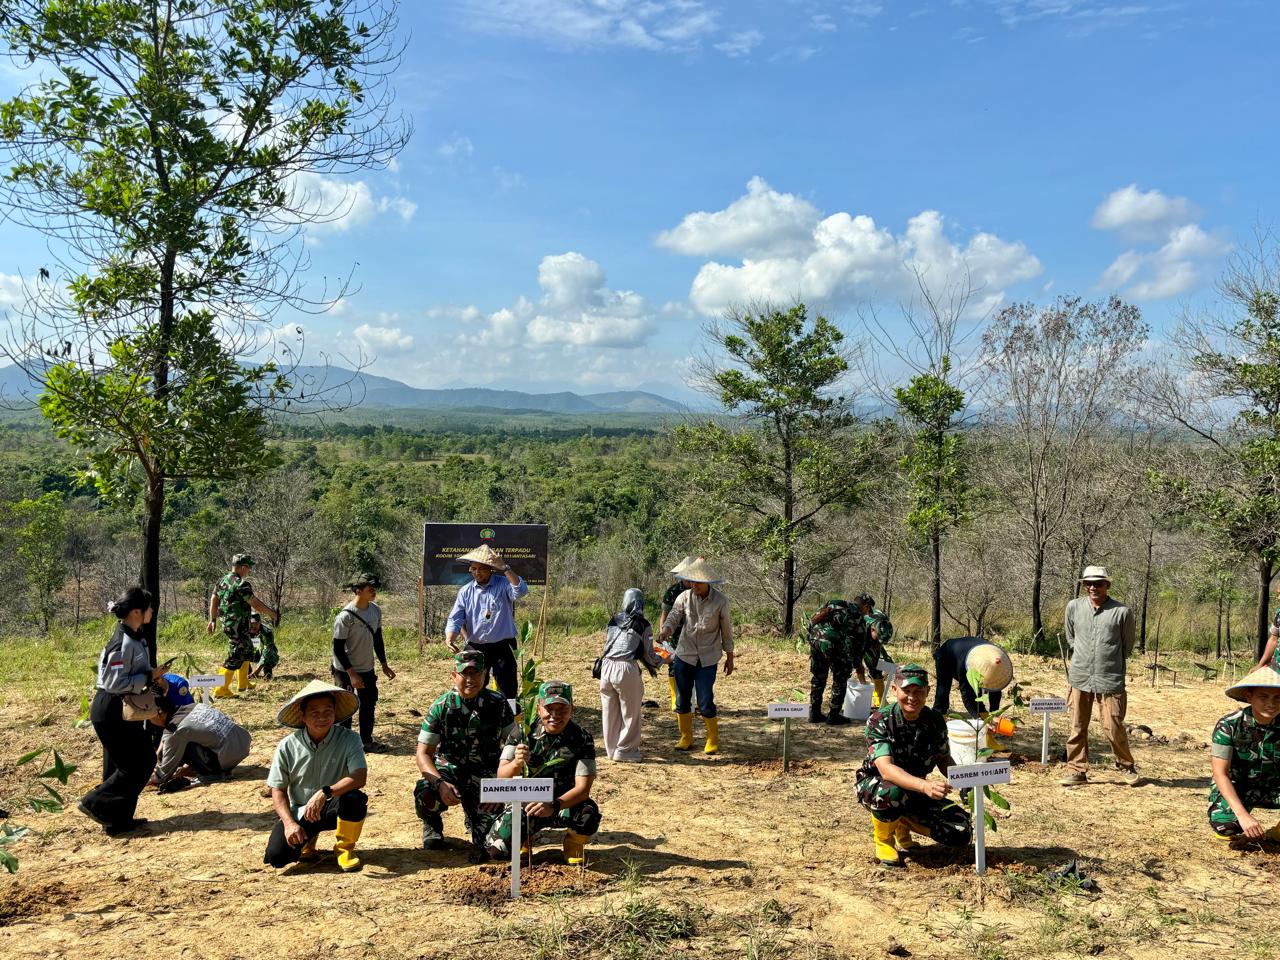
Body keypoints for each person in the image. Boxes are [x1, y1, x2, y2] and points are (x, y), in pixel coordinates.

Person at [855, 663, 972, 867]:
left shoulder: (934, 721)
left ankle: (902, 820)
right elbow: (886, 770)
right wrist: (925, 786)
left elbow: (943, 759)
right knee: (891, 793)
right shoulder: (880, 720)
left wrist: (965, 780)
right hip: (878, 786)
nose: (912, 697)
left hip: (915, 792)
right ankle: (884, 840)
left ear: (927, 692)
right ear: (894, 690)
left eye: (918, 691)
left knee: (960, 831)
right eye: (906, 691)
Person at [77, 586, 169, 836]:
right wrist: (148, 677)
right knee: (141, 761)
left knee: (119, 765)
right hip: (112, 708)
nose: (152, 612)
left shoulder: (135, 636)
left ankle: (116, 822)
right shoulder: (123, 641)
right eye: (149, 608)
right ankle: (94, 802)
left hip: (122, 707)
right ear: (137, 611)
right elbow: (113, 683)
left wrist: (152, 676)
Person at [486, 680, 599, 865]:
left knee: (588, 815)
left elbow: (583, 788)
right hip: (528, 805)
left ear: (572, 708)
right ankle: (524, 840)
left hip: (563, 804)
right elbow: (501, 776)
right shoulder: (522, 733)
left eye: (561, 709)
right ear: (538, 708)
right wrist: (516, 763)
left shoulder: (582, 738)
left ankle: (573, 843)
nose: (555, 715)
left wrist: (553, 806)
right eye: (549, 709)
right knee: (497, 852)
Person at [414, 649, 515, 854]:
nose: (471, 679)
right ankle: (432, 824)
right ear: (454, 676)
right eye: (465, 674)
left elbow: (515, 744)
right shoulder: (441, 707)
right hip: (449, 772)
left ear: (485, 674)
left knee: (489, 842)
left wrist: (501, 788)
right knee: (425, 792)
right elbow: (423, 753)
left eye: (476, 673)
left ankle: (474, 815)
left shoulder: (499, 704)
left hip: (486, 778)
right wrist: (440, 784)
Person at [264, 680, 368, 872]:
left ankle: (344, 849)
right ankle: (308, 841)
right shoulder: (287, 746)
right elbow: (277, 789)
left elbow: (359, 776)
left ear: (335, 713)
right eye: (314, 713)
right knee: (277, 857)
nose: (322, 717)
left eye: (328, 711)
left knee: (355, 798)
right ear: (302, 716)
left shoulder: (349, 739)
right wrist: (289, 823)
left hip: (332, 804)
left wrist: (325, 792)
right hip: (300, 812)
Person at [1062, 565, 1139, 787]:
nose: (1093, 587)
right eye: (1088, 583)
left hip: (1110, 678)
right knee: (1077, 726)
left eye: (1098, 583)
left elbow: (1127, 646)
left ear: (1108, 585)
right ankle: (1076, 771)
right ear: (1084, 585)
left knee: (1113, 726)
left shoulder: (1122, 612)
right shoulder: (1074, 607)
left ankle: (1126, 766)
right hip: (1080, 677)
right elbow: (1071, 638)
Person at [656, 557, 734, 755]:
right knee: (682, 699)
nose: (694, 585)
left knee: (705, 699)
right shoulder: (683, 597)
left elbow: (726, 631)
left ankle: (712, 738)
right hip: (685, 654)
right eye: (691, 581)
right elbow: (674, 616)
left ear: (707, 582)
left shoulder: (720, 602)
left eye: (697, 582)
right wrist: (665, 631)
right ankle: (686, 736)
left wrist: (730, 657)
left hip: (708, 657)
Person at [445, 544, 529, 700]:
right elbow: (456, 617)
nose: (477, 572)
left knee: (508, 687)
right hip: (475, 646)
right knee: (471, 685)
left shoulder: (504, 584)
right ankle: (475, 715)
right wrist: (450, 637)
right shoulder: (466, 591)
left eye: (481, 568)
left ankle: (509, 717)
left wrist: (504, 567)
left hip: (502, 645)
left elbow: (521, 590)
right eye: (473, 569)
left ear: (490, 568)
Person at [1208, 666, 1280, 842]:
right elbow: (1220, 774)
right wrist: (1243, 816)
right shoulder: (1228, 726)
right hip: (1240, 786)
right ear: (1249, 697)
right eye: (1263, 696)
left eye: (1278, 698)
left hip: (1274, 787)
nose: (1271, 704)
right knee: (1226, 827)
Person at [148, 673, 252, 791]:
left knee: (178, 746)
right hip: (243, 744)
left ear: (159, 712)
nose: (148, 719)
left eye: (149, 715)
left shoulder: (174, 730)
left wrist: (150, 779)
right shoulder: (195, 706)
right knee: (186, 740)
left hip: (227, 758)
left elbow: (164, 773)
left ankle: (213, 774)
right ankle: (213, 766)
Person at [331, 572, 396, 752]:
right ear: (358, 591)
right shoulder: (345, 617)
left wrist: (384, 664)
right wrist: (351, 674)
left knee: (368, 705)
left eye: (375, 588)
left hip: (366, 668)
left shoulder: (375, 610)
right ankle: (345, 745)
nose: (374, 591)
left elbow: (378, 638)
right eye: (370, 588)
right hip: (345, 670)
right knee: (346, 707)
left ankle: (366, 741)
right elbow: (337, 649)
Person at [598, 587, 662, 761]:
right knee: (631, 713)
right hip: (626, 669)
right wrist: (664, 659)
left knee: (609, 713)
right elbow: (649, 655)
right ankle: (625, 751)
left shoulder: (613, 620)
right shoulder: (643, 624)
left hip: (606, 667)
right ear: (640, 603)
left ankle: (611, 750)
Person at [207, 554, 277, 698]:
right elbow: (255, 603)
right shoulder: (241, 584)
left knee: (247, 650)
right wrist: (272, 614)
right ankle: (221, 689)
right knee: (234, 656)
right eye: (248, 567)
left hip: (231, 624)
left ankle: (243, 683)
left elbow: (214, 599)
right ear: (243, 567)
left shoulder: (222, 580)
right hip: (237, 627)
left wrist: (213, 619)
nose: (249, 570)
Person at [807, 598, 863, 725]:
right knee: (840, 679)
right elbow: (859, 641)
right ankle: (834, 715)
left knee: (818, 677)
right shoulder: (855, 614)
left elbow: (812, 624)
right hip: (833, 644)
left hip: (815, 642)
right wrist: (857, 662)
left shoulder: (829, 607)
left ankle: (814, 713)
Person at [932, 638, 1014, 718]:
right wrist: (980, 721)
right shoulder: (966, 666)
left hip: (963, 652)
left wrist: (994, 715)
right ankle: (938, 718)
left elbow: (995, 690)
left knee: (977, 689)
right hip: (946, 654)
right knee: (943, 690)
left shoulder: (994, 658)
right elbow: (967, 696)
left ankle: (982, 712)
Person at [658, 557, 693, 711]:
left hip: (694, 636)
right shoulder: (672, 592)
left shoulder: (699, 590)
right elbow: (664, 614)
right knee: (673, 667)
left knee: (693, 668)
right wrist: (663, 633)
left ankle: (692, 701)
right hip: (675, 635)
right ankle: (675, 698)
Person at [853, 594, 894, 707]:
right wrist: (863, 684)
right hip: (858, 642)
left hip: (871, 643)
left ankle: (880, 702)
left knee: (875, 671)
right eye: (877, 638)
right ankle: (851, 701)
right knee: (856, 667)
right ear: (872, 629)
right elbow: (857, 657)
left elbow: (881, 643)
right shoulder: (859, 622)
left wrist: (886, 659)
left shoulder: (881, 618)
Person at [249, 613, 279, 680]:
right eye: (251, 623)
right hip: (254, 651)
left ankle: (267, 674)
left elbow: (267, 650)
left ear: (260, 622)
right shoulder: (244, 631)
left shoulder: (267, 632)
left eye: (256, 623)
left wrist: (257, 670)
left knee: (270, 652)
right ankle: (248, 673)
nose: (253, 626)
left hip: (263, 652)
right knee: (240, 650)